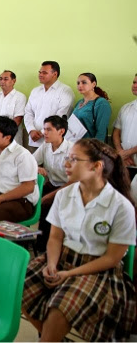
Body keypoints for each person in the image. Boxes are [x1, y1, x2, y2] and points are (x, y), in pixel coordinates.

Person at [22, 139, 136, 342]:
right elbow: (55, 237)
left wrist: (69, 273)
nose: (66, 164)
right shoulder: (64, 195)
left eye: (74, 159)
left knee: (59, 307)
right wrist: (51, 265)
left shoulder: (120, 206)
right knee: (18, 289)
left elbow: (111, 258)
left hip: (99, 270)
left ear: (96, 166)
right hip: (62, 258)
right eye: (67, 158)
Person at [33, 115, 74, 251]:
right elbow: (31, 161)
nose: (44, 133)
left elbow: (74, 181)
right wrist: (37, 167)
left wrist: (49, 196)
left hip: (69, 189)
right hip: (52, 185)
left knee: (46, 204)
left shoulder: (71, 150)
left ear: (61, 131)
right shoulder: (46, 146)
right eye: (44, 129)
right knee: (29, 199)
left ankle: (43, 247)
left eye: (48, 130)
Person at [24, 61, 75, 150]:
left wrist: (42, 132)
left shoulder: (65, 91)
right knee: (32, 164)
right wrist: (31, 130)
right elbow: (28, 112)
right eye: (40, 72)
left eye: (44, 73)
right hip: (34, 140)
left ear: (54, 74)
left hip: (54, 142)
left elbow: (61, 117)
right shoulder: (35, 91)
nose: (40, 75)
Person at [0, 70, 27, 145]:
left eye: (6, 79)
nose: (2, 81)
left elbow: (18, 119)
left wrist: (2, 134)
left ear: (13, 81)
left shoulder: (20, 97)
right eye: (0, 79)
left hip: (11, 138)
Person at [71, 72, 111, 142]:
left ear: (94, 84)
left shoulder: (101, 103)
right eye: (78, 83)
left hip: (90, 147)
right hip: (76, 145)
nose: (80, 85)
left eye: (84, 82)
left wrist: (96, 150)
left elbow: (101, 131)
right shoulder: (79, 102)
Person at [113, 74, 137, 172]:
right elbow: (116, 132)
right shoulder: (126, 108)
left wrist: (128, 153)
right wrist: (120, 152)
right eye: (134, 82)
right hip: (125, 163)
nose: (135, 85)